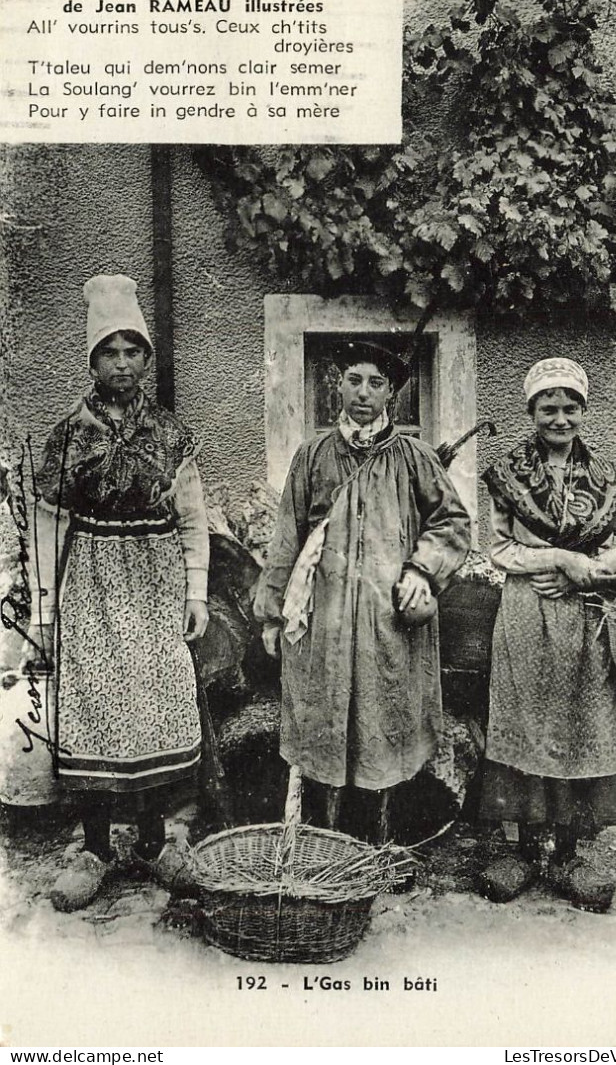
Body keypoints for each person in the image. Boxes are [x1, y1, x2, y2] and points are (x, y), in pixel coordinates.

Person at [26, 274, 209, 911]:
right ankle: (98, 847)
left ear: (147, 359)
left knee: (155, 703)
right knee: (97, 710)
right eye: (110, 351)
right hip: (94, 580)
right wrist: (48, 603)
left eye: (134, 351)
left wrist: (197, 592)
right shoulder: (68, 435)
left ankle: (158, 843)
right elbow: (48, 523)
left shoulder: (170, 432)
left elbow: (191, 517)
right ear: (93, 360)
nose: (123, 364)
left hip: (156, 579)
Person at [254, 337, 471, 843]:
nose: (364, 393)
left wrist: (422, 571)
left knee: (384, 722)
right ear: (338, 384)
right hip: (322, 622)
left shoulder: (414, 457)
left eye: (377, 383)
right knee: (321, 726)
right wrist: (271, 612)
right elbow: (287, 536)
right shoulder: (312, 456)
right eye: (354, 379)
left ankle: (378, 846)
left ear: (391, 393)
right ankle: (319, 845)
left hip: (388, 623)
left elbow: (453, 522)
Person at [471, 357, 616, 912]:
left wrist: (592, 570)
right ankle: (525, 851)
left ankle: (573, 852)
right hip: (528, 611)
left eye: (570, 407)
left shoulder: (605, 476)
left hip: (587, 615)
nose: (560, 417)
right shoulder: (508, 472)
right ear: (531, 411)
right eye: (548, 407)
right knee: (527, 719)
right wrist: (556, 559)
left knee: (584, 722)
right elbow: (497, 547)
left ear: (583, 411)